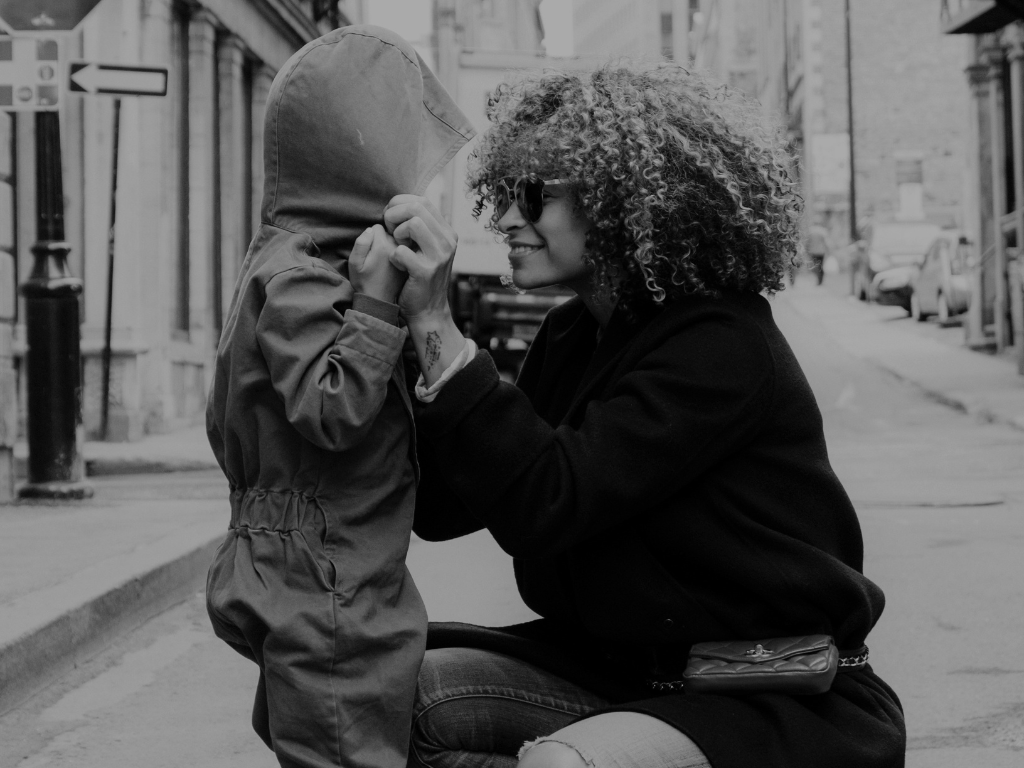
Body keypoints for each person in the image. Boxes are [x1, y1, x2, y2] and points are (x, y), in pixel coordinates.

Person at [380, 62, 906, 768]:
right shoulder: (572, 337)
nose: (505, 218)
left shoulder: (721, 345)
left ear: (621, 203)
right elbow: (448, 506)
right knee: (373, 700)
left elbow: (548, 500)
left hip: (768, 695)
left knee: (561, 766)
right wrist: (393, 332)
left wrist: (439, 325)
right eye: (504, 193)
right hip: (623, 675)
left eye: (534, 195)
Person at [204, 26, 474, 768]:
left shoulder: (297, 258)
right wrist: (378, 305)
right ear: (359, 158)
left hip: (313, 564)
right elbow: (333, 409)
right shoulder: (304, 272)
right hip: (326, 575)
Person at [806, 220, 832, 286]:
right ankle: (820, 280)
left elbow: (807, 242)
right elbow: (826, 242)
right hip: (821, 251)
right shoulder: (823, 231)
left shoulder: (810, 231)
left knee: (815, 265)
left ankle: (818, 279)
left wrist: (807, 250)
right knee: (820, 266)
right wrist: (828, 250)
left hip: (813, 251)